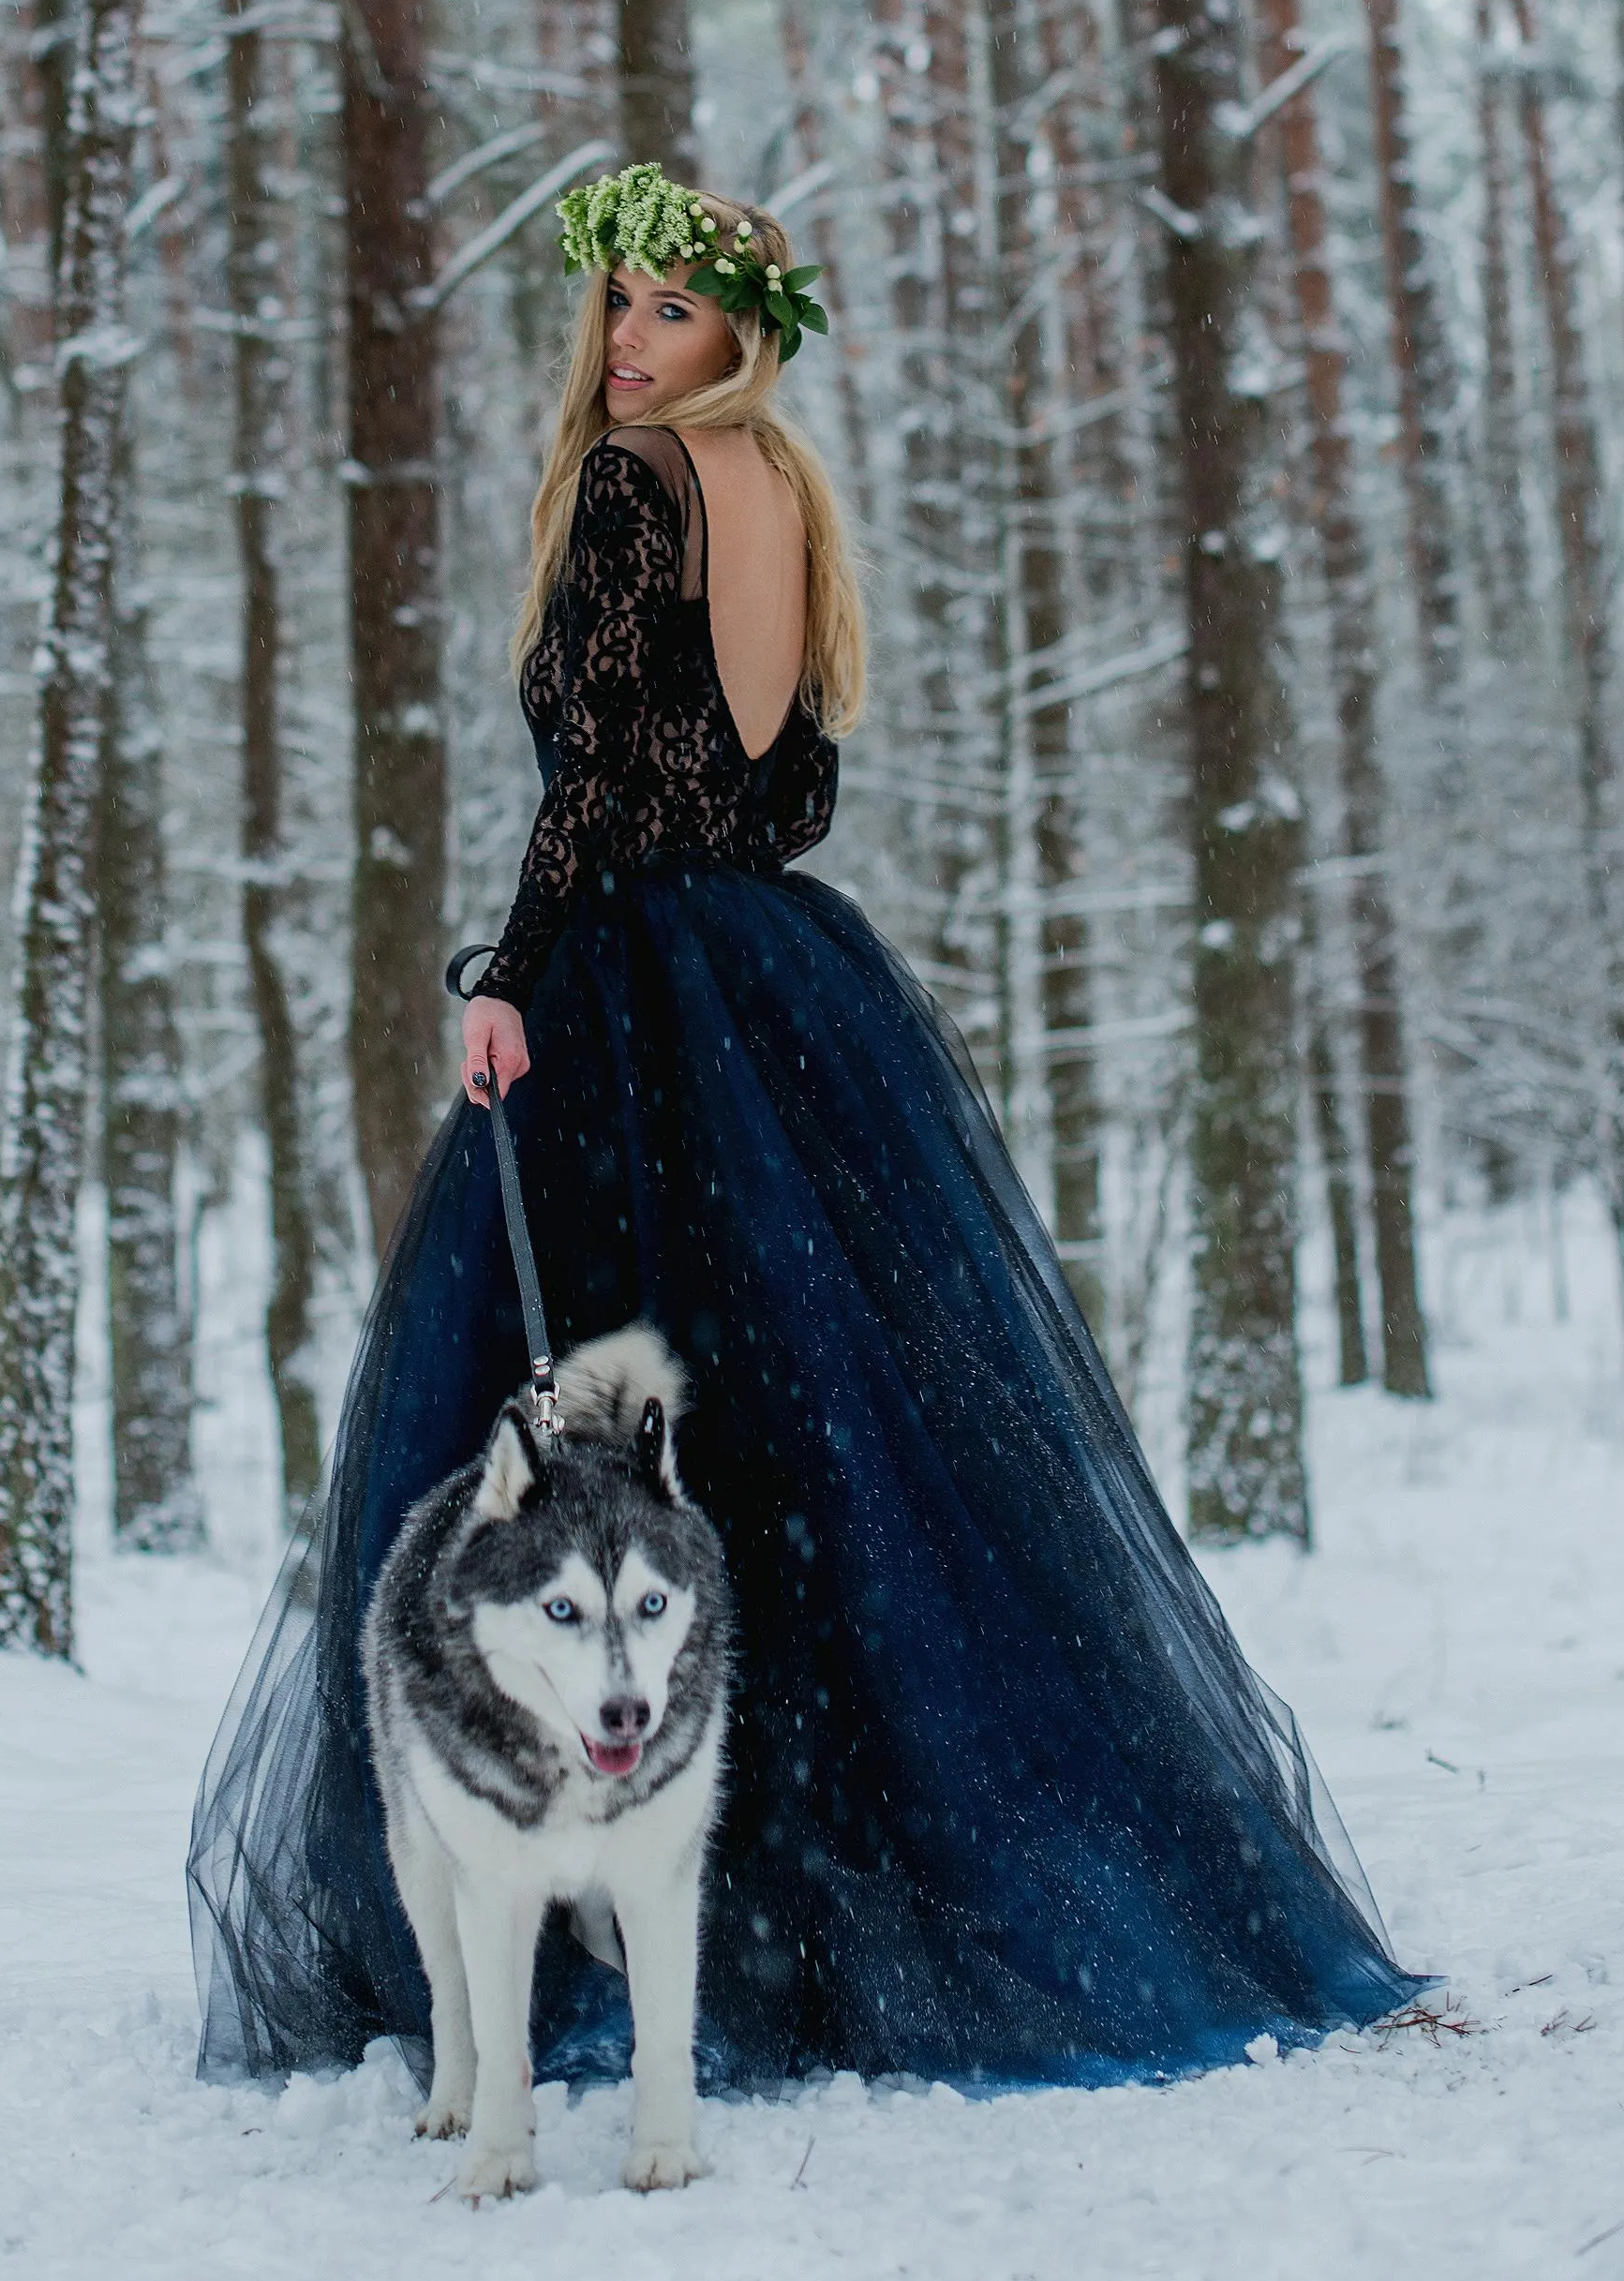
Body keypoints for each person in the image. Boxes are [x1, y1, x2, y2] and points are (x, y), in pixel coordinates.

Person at [190, 164, 1415, 2096]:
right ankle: (840, 1904)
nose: (628, 341)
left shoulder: (633, 484)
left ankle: (619, 1913)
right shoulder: (782, 490)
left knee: (591, 1441)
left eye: (670, 312)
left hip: (629, 988)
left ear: (742, 334)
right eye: (617, 304)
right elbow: (785, 788)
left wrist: (512, 970)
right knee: (829, 1441)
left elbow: (599, 768)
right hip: (779, 975)